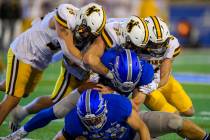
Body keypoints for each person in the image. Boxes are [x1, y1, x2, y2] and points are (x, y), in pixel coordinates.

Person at [9, 15, 154, 130]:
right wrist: (110, 75)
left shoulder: (132, 35)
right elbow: (89, 59)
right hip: (80, 64)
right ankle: (23, 112)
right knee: (59, 101)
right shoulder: (111, 34)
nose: (136, 49)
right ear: (127, 35)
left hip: (101, 68)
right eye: (134, 45)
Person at [0, 2, 107, 126]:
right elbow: (69, 50)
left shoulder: (82, 24)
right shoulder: (65, 15)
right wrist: (93, 68)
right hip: (25, 51)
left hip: (41, 59)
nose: (86, 34)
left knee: (23, 91)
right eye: (86, 30)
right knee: (13, 99)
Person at [123, 16, 194, 116]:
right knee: (174, 115)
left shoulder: (172, 43)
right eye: (155, 45)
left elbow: (164, 76)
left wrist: (156, 84)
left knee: (189, 111)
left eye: (162, 43)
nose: (159, 48)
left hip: (163, 81)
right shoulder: (134, 47)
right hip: (146, 85)